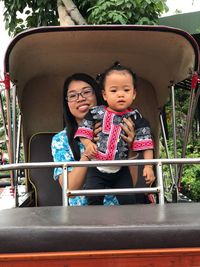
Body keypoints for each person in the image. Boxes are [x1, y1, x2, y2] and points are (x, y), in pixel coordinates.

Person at [75, 62, 155, 205]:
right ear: (104, 95)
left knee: (129, 200)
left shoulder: (136, 118)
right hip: (96, 167)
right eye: (114, 91)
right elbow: (84, 132)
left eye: (126, 90)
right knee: (92, 199)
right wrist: (87, 144)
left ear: (134, 94)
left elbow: (147, 144)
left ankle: (127, 224)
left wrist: (148, 166)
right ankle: (93, 224)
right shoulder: (95, 113)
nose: (120, 95)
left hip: (121, 169)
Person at [51, 72, 135, 206]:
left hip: (118, 212)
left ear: (99, 95)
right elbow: (70, 188)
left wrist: (131, 149)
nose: (80, 98)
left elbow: (132, 183)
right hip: (83, 217)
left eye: (86, 92)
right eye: (73, 95)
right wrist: (89, 149)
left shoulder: (118, 127)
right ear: (67, 103)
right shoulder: (61, 140)